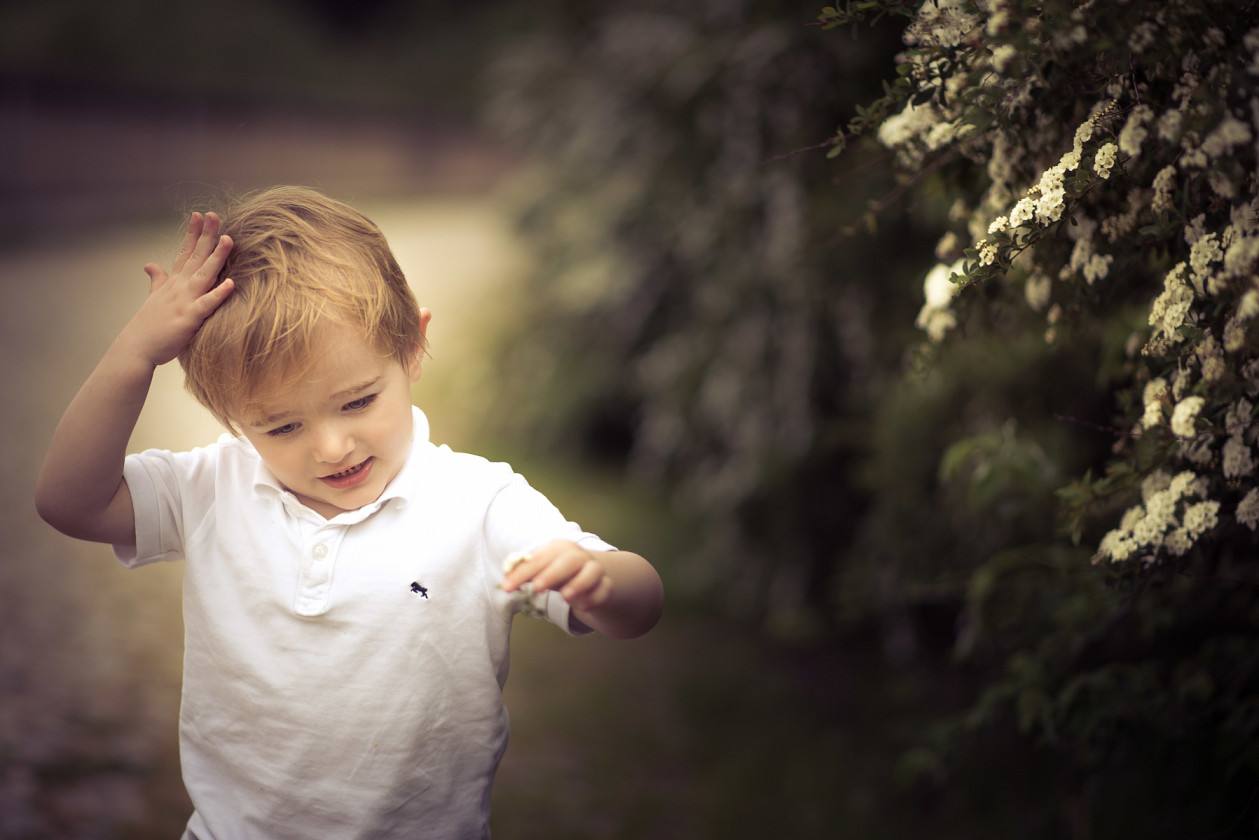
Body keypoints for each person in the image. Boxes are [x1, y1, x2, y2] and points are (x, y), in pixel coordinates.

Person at [35, 186, 665, 840]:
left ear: (413, 347)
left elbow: (640, 605)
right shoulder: (210, 487)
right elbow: (69, 502)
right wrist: (134, 354)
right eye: (281, 427)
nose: (332, 448)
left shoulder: (478, 504)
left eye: (358, 402)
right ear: (232, 417)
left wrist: (599, 581)